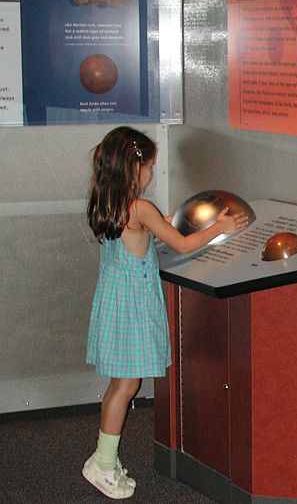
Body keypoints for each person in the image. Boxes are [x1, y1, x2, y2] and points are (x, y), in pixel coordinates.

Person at [82, 126, 248, 499]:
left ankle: (104, 458)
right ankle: (103, 465)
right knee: (127, 386)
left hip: (113, 303)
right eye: (150, 168)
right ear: (134, 166)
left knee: (118, 384)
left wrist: (164, 220)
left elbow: (139, 238)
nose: (151, 175)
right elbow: (184, 243)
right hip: (132, 308)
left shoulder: (105, 202)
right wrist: (220, 226)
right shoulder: (139, 208)